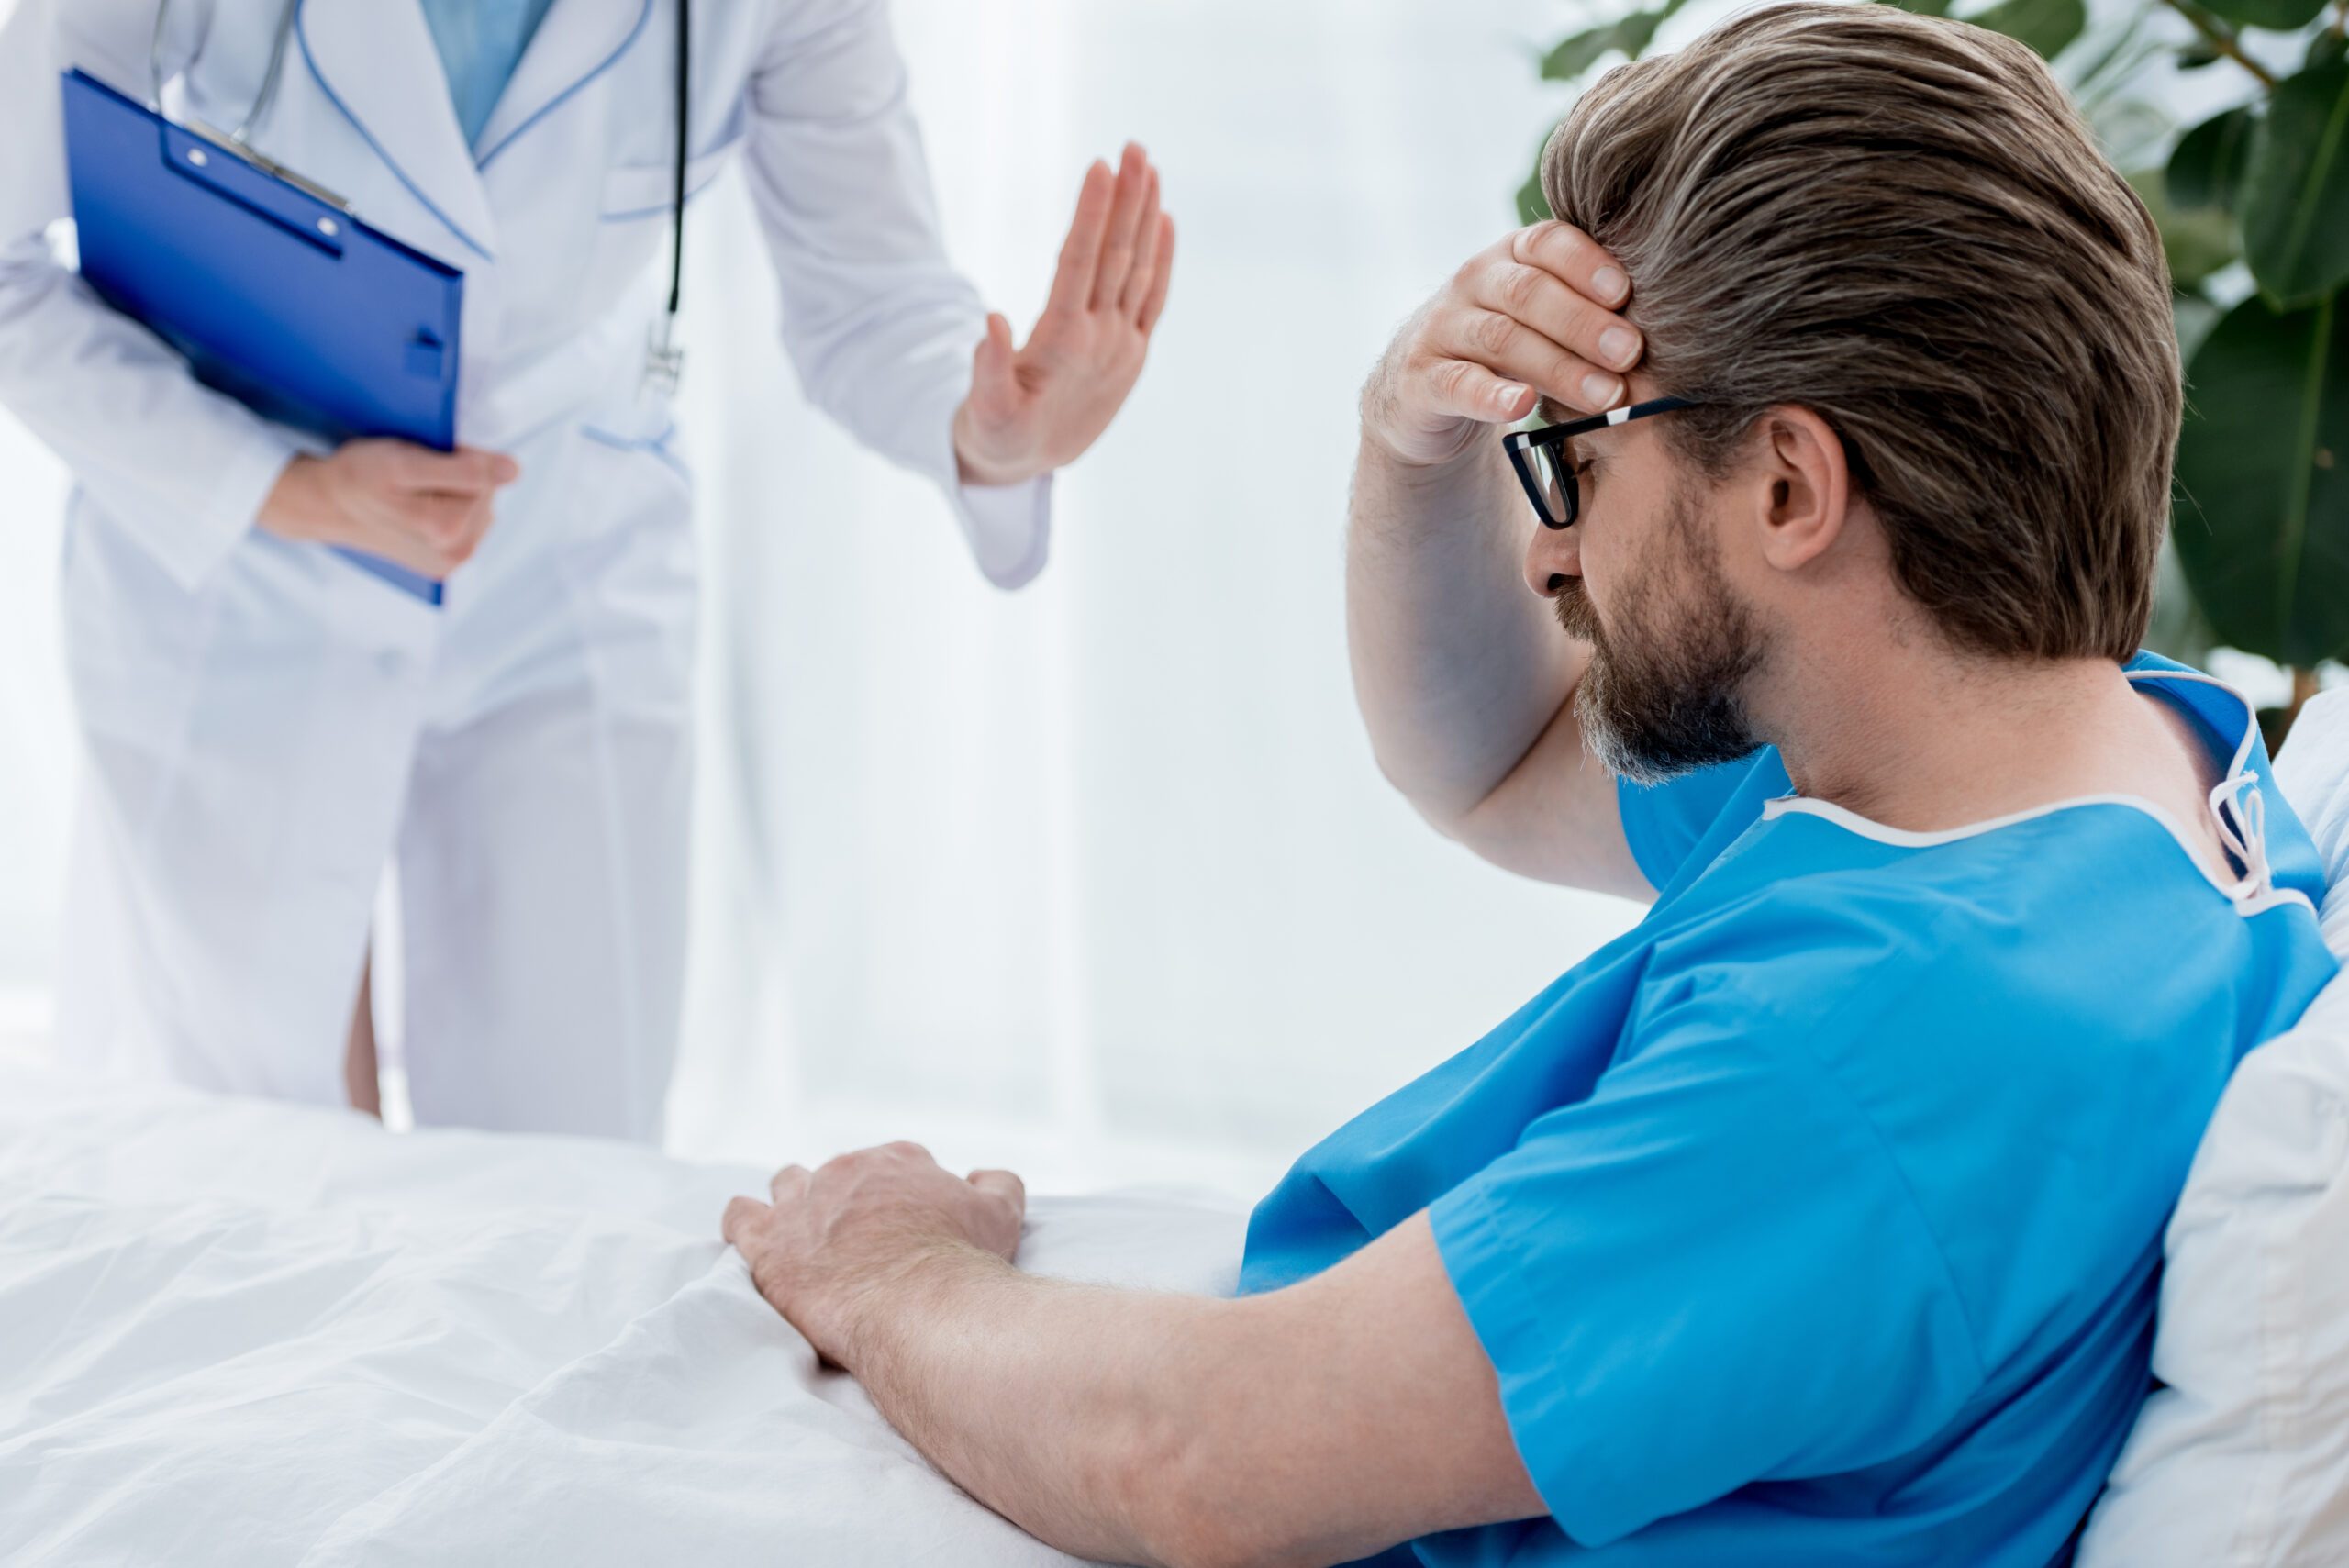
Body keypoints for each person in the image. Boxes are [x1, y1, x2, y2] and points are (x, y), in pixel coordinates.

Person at [714, 6, 2340, 1564]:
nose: (1550, 547)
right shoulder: (2107, 764)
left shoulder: (1889, 1041)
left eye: (1579, 460)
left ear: (1788, 483)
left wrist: (886, 1267)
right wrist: (1412, 437)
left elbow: (1199, 1460)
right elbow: (1491, 757)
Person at [0, 0, 1172, 1139]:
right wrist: (282, 487)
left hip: (563, 570)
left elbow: (871, 302)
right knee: (250, 1167)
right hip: (242, 576)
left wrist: (987, 434)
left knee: (567, 1174)